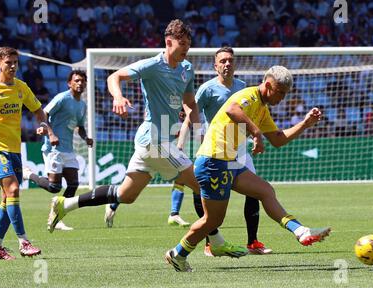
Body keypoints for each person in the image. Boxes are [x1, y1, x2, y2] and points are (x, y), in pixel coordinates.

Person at [46, 19, 247, 258]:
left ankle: (65, 204)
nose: (185, 49)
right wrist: (118, 97)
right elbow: (115, 77)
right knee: (201, 184)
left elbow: (190, 102)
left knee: (125, 195)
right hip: (154, 139)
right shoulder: (153, 65)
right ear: (168, 42)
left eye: (188, 45)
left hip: (157, 141)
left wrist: (199, 129)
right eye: (181, 44)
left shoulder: (186, 69)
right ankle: (214, 241)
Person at [165, 66, 332, 272]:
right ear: (269, 85)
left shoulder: (262, 109)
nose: (282, 98)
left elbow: (278, 139)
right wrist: (256, 133)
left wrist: (305, 124)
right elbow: (232, 109)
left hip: (228, 162)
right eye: (280, 92)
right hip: (212, 162)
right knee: (213, 220)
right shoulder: (249, 95)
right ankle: (177, 253)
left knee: (265, 190)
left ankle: (301, 231)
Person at [172, 47, 272, 255]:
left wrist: (255, 134)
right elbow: (191, 113)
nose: (227, 64)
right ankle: (210, 240)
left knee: (255, 191)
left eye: (230, 61)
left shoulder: (243, 87)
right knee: (200, 191)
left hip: (240, 147)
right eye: (223, 61)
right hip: (215, 148)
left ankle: (253, 242)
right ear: (215, 66)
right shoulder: (207, 89)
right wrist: (180, 143)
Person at [0, 47, 55, 260]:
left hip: (15, 149)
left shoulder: (21, 87)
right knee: (14, 190)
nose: (13, 66)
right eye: (9, 63)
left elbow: (37, 109)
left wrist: (43, 124)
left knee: (7, 198)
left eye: (16, 62)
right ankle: (24, 241)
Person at [23, 70, 93, 231]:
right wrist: (51, 133)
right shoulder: (62, 98)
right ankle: (29, 174)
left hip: (68, 148)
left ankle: (57, 218)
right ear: (69, 83)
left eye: (82, 81)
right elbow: (43, 114)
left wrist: (86, 137)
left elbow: (80, 126)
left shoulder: (82, 105)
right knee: (54, 187)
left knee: (73, 184)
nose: (80, 83)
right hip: (53, 147)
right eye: (76, 80)